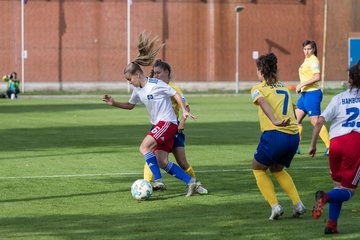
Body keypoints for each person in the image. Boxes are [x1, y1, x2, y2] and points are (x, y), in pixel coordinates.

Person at [103, 32, 201, 197]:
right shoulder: (137, 89)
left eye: (129, 80)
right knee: (162, 161)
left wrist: (184, 109)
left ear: (137, 75)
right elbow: (130, 105)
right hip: (159, 124)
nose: (129, 83)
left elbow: (174, 94)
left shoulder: (155, 84)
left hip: (168, 123)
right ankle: (191, 182)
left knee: (143, 147)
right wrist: (114, 103)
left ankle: (158, 181)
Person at [250, 53, 306, 220]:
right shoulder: (283, 87)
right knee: (277, 169)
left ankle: (275, 206)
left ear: (261, 70)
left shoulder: (258, 88)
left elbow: (262, 102)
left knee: (258, 169)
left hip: (275, 135)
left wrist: (274, 120)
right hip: (293, 136)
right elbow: (294, 109)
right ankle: (298, 204)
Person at [308, 60, 360, 234]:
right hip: (355, 143)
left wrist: (313, 144)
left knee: (339, 186)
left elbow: (320, 121)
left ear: (350, 80)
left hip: (335, 144)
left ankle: (331, 225)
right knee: (349, 191)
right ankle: (325, 197)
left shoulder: (338, 98)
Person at [142, 59, 208, 194]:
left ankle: (195, 184)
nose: (156, 76)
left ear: (167, 72)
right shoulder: (153, 86)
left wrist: (182, 123)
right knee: (152, 155)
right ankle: (146, 185)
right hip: (159, 127)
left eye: (159, 73)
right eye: (154, 73)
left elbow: (186, 107)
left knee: (182, 162)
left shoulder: (174, 88)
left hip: (174, 127)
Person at [295, 40, 330, 156]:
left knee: (315, 122)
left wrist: (301, 84)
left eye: (309, 49)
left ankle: (330, 147)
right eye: (305, 49)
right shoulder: (307, 60)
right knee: (296, 120)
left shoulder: (314, 60)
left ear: (314, 49)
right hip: (305, 95)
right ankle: (296, 147)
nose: (306, 51)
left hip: (312, 94)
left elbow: (317, 77)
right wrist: (302, 87)